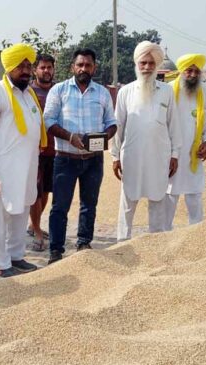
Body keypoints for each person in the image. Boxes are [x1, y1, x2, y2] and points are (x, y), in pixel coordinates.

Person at [44, 48, 117, 263]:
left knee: (89, 204)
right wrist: (70, 136)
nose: (83, 68)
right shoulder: (59, 90)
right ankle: (56, 250)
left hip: (93, 160)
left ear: (94, 68)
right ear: (72, 67)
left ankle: (84, 243)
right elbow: (49, 121)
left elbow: (111, 123)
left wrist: (104, 136)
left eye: (88, 65)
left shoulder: (102, 93)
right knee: (60, 207)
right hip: (65, 158)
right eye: (80, 65)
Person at [0, 43, 47, 279]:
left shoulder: (28, 94)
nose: (26, 71)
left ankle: (16, 256)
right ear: (9, 66)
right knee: (0, 215)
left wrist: (35, 167)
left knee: (22, 210)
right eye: (21, 66)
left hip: (27, 167)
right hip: (2, 170)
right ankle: (0, 264)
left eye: (29, 66)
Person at [111, 41, 181, 241]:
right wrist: (115, 157)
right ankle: (122, 243)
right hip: (132, 156)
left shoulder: (167, 91)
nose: (147, 67)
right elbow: (118, 127)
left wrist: (175, 154)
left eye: (151, 63)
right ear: (137, 64)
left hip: (159, 156)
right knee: (127, 201)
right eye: (143, 63)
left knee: (157, 198)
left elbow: (173, 125)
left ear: (157, 65)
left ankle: (155, 243)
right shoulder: (125, 92)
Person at [165, 53, 206, 227]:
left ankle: (196, 237)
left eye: (196, 71)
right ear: (181, 71)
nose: (193, 75)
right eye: (189, 71)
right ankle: (164, 238)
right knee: (170, 197)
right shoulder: (169, 90)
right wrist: (171, 153)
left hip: (194, 154)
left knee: (194, 198)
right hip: (172, 155)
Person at [27, 54, 56, 252]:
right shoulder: (27, 91)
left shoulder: (59, 90)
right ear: (35, 70)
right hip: (34, 150)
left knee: (46, 190)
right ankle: (37, 230)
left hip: (55, 150)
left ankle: (33, 225)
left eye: (49, 67)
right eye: (42, 67)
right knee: (35, 192)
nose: (46, 71)